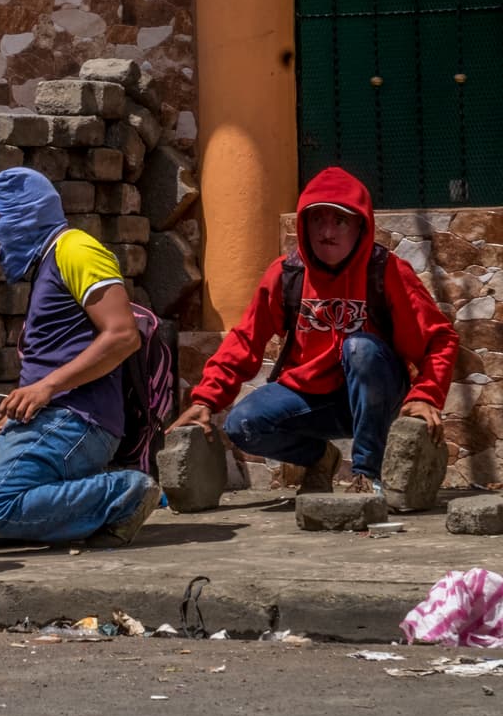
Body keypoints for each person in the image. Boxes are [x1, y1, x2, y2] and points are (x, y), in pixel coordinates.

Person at [169, 166, 459, 495]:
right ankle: (320, 458)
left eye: (340, 220)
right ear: (304, 226)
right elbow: (245, 339)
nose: (327, 231)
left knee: (359, 349)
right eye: (317, 219)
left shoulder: (387, 272)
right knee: (242, 425)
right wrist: (206, 400)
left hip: (376, 394)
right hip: (312, 399)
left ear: (360, 226)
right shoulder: (286, 274)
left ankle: (367, 476)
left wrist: (425, 396)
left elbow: (439, 339)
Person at [0, 167, 160, 546]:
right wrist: (8, 421)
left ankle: (123, 492)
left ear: (28, 211)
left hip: (78, 418)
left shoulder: (75, 248)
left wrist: (46, 388)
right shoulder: (47, 265)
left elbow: (122, 336)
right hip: (46, 418)